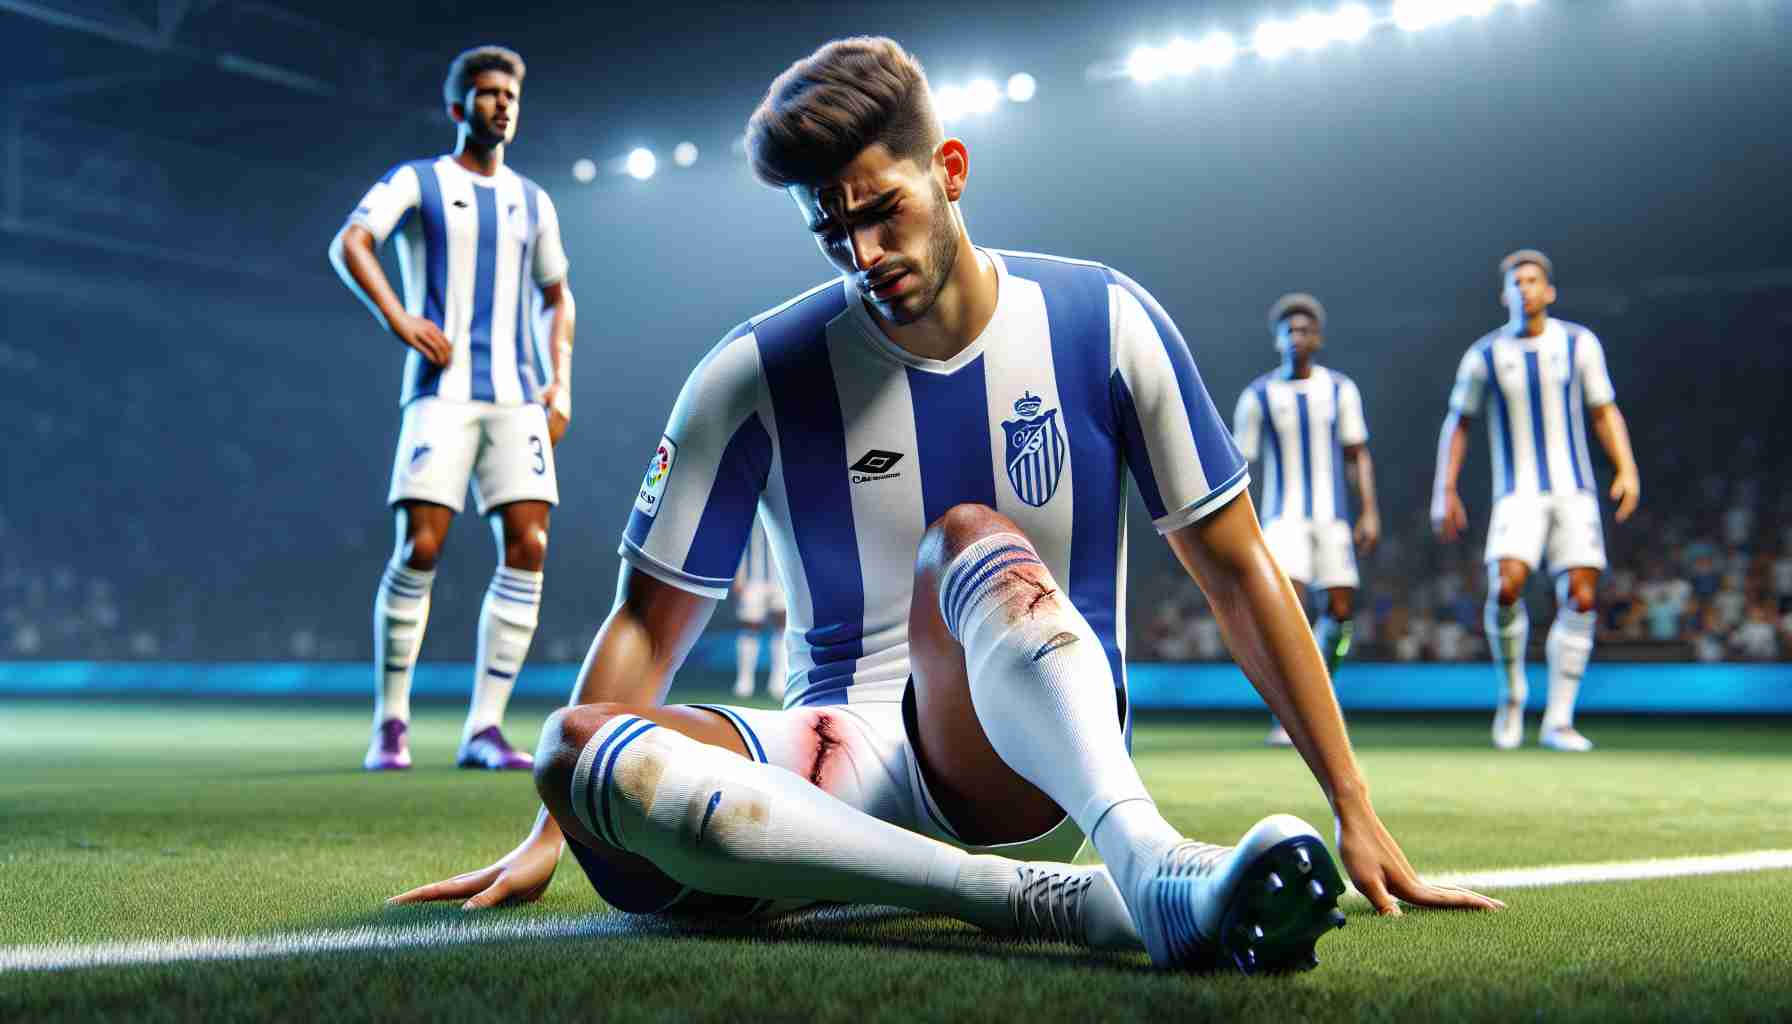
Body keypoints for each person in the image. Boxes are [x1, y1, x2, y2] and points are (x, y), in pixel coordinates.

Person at [392, 37, 1498, 974]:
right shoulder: (753, 372)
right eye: (831, 230)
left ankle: (1142, 852)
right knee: (573, 747)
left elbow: (1239, 569)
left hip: (1019, 759)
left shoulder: (1103, 321)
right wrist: (554, 827)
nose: (865, 254)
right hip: (820, 768)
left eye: (883, 210)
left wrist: (1349, 798)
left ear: (950, 169)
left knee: (967, 537)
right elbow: (645, 621)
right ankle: (1052, 905)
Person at [328, 45, 576, 771]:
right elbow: (353, 240)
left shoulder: (536, 201)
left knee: (529, 547)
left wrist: (561, 383)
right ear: (458, 106)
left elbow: (557, 293)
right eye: (489, 92)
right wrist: (400, 319)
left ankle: (485, 728)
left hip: (517, 395)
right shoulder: (419, 181)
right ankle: (391, 724)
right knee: (421, 548)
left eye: (511, 96)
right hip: (442, 391)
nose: (502, 104)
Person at [1431, 250, 1640, 751]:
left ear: (1549, 291)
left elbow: (1603, 410)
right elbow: (1458, 424)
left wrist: (1627, 467)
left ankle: (1560, 720)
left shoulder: (1579, 343)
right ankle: (1512, 697)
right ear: (1505, 295)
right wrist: (1446, 487)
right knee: (1505, 588)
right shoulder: (1483, 355)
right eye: (1515, 282)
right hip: (1516, 493)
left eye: (1532, 280)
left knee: (1583, 596)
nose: (1524, 288)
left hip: (1575, 491)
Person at [1232, 294, 1380, 746]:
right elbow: (1242, 467)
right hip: (1283, 520)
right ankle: (1292, 712)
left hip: (1332, 520)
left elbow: (1358, 455)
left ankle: (1322, 693)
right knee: (1291, 610)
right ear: (1278, 339)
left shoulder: (1341, 389)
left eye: (1304, 330)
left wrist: (1369, 511)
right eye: (1289, 331)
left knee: (1339, 612)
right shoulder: (1258, 395)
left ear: (1317, 338)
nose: (1297, 337)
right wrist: (1245, 527)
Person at [731, 520, 788, 700]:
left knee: (783, 627)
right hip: (753, 579)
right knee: (750, 627)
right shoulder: (747, 506)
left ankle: (778, 680)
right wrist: (738, 576)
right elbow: (736, 542)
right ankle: (744, 681)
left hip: (780, 578)